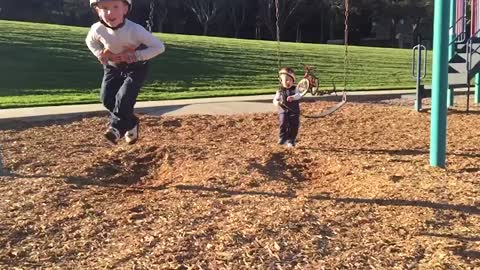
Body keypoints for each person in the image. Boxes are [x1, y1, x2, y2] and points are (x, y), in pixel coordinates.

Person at [86, 0, 165, 145]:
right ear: (97, 10)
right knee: (107, 98)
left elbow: (159, 47)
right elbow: (90, 42)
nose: (110, 12)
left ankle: (115, 129)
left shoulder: (135, 30)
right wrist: (100, 54)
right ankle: (131, 122)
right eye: (104, 8)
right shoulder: (97, 29)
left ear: (125, 9)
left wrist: (136, 56)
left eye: (116, 7)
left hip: (136, 68)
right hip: (112, 66)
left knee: (124, 97)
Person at [273, 67, 302, 148]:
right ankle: (282, 137)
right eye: (285, 80)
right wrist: (277, 102)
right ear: (281, 81)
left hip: (294, 110)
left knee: (294, 125)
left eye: (289, 80)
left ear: (293, 80)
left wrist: (293, 97)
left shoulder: (295, 89)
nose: (287, 82)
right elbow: (275, 99)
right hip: (283, 110)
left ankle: (291, 140)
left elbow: (299, 95)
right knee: (283, 122)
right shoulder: (280, 90)